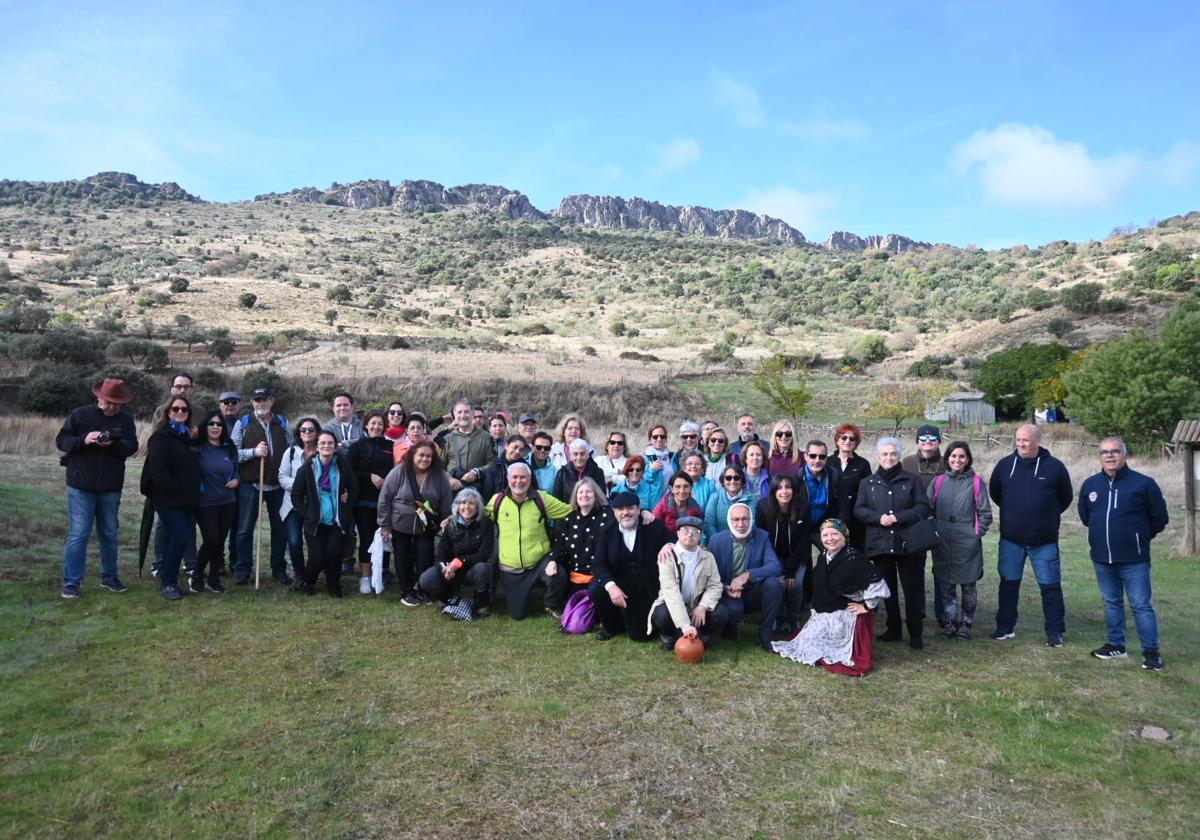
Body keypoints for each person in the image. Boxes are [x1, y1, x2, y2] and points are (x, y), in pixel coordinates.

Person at [1078, 437, 1168, 670]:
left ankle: (1151, 652)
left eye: (1114, 451)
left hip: (1133, 559)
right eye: (1104, 452)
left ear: (1124, 454)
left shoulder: (1143, 484)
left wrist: (1139, 537)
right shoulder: (1090, 485)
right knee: (1111, 602)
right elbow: (1085, 516)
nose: (1109, 456)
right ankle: (1115, 645)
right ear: (1099, 456)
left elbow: (1159, 518)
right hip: (1102, 558)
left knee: (1141, 605)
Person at [989, 424, 1073, 646]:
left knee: (1050, 586)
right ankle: (1005, 627)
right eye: (1018, 440)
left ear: (1037, 441)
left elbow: (1065, 498)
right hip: (1011, 540)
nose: (1021, 444)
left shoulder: (1055, 468)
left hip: (1044, 542)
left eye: (1025, 440)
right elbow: (996, 493)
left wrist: (1043, 516)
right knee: (1008, 584)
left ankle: (1055, 632)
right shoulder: (1005, 466)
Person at [771, 519, 888, 677]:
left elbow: (878, 583)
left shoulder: (853, 558)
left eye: (835, 534)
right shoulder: (824, 556)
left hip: (846, 614)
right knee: (805, 643)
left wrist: (867, 607)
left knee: (817, 646)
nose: (830, 538)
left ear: (844, 536)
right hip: (827, 611)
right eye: (825, 535)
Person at [57, 377, 138, 599]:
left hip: (111, 486)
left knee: (110, 534)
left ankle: (109, 577)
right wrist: (85, 439)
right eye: (109, 402)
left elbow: (132, 447)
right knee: (79, 534)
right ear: (99, 397)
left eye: (117, 403)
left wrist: (114, 444)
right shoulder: (80, 415)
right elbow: (62, 440)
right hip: (81, 484)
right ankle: (71, 582)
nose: (113, 407)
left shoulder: (126, 420)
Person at [854, 437, 933, 650]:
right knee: (887, 589)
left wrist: (899, 517)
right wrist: (877, 518)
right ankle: (894, 628)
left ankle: (915, 633)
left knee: (912, 590)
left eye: (893, 454)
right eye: (884, 454)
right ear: (878, 457)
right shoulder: (867, 483)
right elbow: (859, 510)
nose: (889, 458)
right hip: (880, 544)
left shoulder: (912, 480)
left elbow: (923, 508)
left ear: (899, 456)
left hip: (908, 544)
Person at [486, 462, 572, 619]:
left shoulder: (541, 499)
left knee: (558, 574)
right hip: (511, 568)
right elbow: (479, 517)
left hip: (539, 562)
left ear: (530, 478)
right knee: (518, 615)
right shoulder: (497, 501)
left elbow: (569, 512)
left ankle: (551, 605)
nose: (519, 481)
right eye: (515, 477)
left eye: (523, 477)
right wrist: (452, 518)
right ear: (508, 478)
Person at [928, 442, 992, 640]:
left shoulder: (976, 482)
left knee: (968, 584)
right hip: (943, 541)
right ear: (947, 458)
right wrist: (934, 534)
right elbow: (927, 510)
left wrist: (975, 534)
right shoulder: (938, 482)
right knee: (946, 584)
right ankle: (949, 622)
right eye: (953, 456)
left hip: (967, 542)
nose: (957, 460)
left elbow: (985, 513)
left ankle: (966, 623)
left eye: (961, 456)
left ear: (968, 459)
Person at [378, 440, 453, 606]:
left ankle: (423, 589)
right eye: (421, 455)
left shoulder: (439, 475)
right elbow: (385, 499)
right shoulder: (399, 471)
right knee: (402, 557)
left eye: (428, 456)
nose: (425, 459)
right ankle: (406, 591)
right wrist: (384, 525)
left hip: (425, 525)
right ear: (413, 455)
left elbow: (446, 500)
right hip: (400, 523)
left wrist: (447, 517)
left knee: (424, 557)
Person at [141, 396, 200, 601]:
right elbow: (158, 472)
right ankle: (168, 582)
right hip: (168, 499)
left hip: (186, 499)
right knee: (180, 537)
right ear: (167, 413)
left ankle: (170, 577)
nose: (180, 412)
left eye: (184, 409)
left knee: (178, 538)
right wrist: (176, 491)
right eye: (175, 409)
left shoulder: (186, 437)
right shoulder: (161, 438)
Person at [590, 491, 670, 641]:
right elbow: (598, 564)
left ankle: (639, 621)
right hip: (620, 583)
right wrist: (611, 586)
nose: (625, 512)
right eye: (620, 509)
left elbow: (673, 540)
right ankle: (612, 626)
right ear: (614, 512)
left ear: (638, 509)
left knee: (641, 637)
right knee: (596, 589)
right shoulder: (606, 531)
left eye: (630, 508)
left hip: (645, 587)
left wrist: (668, 545)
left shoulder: (652, 526)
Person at [231, 387, 290, 586]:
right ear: (252, 402)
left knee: (280, 529)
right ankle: (243, 570)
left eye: (264, 400)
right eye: (257, 400)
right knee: (245, 529)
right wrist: (253, 452)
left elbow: (291, 451)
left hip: (277, 486)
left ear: (271, 401)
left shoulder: (281, 422)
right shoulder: (243, 423)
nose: (261, 403)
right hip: (252, 484)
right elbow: (232, 454)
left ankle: (278, 569)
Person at [708, 503, 784, 651]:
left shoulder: (762, 537)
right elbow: (709, 576)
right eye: (736, 519)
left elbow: (775, 566)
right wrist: (725, 587)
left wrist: (748, 574)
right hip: (728, 592)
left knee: (774, 584)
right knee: (735, 609)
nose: (741, 524)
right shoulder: (716, 540)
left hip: (752, 590)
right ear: (729, 520)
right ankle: (730, 628)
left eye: (745, 519)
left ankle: (765, 633)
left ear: (751, 520)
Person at [292, 430, 358, 596]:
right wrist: (307, 513)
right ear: (317, 446)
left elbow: (354, 488)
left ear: (335, 447)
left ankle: (334, 585)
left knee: (334, 553)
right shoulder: (307, 468)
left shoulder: (342, 465)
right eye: (323, 443)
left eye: (330, 443)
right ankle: (308, 582)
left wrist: (347, 507)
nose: (326, 446)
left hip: (336, 520)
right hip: (315, 522)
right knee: (317, 557)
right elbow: (296, 496)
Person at [648, 516, 729, 650]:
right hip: (671, 604)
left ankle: (703, 637)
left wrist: (703, 606)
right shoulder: (667, 556)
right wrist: (685, 624)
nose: (690, 534)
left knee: (720, 613)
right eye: (685, 530)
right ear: (678, 533)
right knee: (661, 614)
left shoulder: (708, 557)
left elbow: (715, 585)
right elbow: (671, 592)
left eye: (695, 532)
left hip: (695, 605)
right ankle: (669, 637)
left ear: (700, 536)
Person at [417, 487, 495, 615]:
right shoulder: (450, 524)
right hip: (451, 571)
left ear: (478, 507)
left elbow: (484, 555)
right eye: (463, 503)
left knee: (483, 568)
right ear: (457, 506)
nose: (466, 507)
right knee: (426, 579)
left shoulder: (485, 524)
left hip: (472, 570)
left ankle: (481, 604)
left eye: (471, 503)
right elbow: (441, 555)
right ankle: (448, 598)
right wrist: (445, 568)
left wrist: (459, 561)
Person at [903, 424, 948, 627]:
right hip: (916, 523)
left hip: (942, 521)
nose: (927, 442)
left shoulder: (948, 462)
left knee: (941, 569)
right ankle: (918, 609)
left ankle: (943, 612)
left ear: (939, 441)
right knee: (915, 568)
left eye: (932, 439)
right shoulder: (908, 462)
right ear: (917, 442)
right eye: (923, 439)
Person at [191, 408, 240, 594]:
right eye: (211, 423)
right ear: (205, 426)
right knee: (211, 540)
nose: (215, 427)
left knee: (219, 541)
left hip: (227, 501)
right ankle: (196, 575)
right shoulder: (197, 447)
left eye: (219, 424)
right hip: (205, 502)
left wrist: (237, 479)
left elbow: (235, 468)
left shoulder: (228, 446)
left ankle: (213, 578)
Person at [756, 474, 811, 634]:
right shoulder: (763, 507)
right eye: (779, 488)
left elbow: (804, 540)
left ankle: (793, 617)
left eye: (788, 487)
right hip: (772, 556)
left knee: (796, 584)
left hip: (796, 556)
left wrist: (791, 570)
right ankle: (778, 617)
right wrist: (778, 569)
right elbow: (762, 538)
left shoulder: (803, 507)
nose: (784, 491)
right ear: (773, 491)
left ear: (794, 490)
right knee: (777, 583)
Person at [347, 410, 394, 595]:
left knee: (384, 538)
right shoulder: (357, 447)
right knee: (367, 539)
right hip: (364, 501)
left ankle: (380, 575)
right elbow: (350, 471)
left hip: (386, 501)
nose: (376, 427)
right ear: (366, 425)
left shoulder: (391, 446)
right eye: (373, 423)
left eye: (380, 424)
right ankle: (365, 578)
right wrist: (370, 476)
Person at [551, 477, 611, 603]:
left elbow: (627, 513)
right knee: (576, 616)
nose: (584, 495)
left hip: (600, 577)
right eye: (580, 492)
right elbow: (559, 545)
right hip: (576, 578)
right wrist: (552, 560)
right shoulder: (568, 519)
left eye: (588, 492)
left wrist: (644, 512)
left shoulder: (608, 515)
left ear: (596, 494)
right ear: (575, 496)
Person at [278, 416, 321, 588]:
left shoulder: (323, 451)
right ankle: (299, 574)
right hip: (293, 505)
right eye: (303, 430)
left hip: (316, 506)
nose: (307, 433)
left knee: (315, 542)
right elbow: (282, 477)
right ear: (298, 433)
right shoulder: (291, 453)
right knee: (295, 541)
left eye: (311, 430)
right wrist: (300, 487)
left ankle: (313, 573)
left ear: (317, 432)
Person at [827, 422, 871, 552]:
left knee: (856, 552)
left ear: (856, 443)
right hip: (832, 514)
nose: (848, 441)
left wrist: (851, 497)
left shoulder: (863, 464)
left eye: (852, 439)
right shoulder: (828, 462)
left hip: (855, 517)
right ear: (837, 440)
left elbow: (866, 491)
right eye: (844, 437)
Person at [443, 398, 495, 492]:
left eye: (466, 412)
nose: (463, 415)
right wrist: (449, 479)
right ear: (454, 415)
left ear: (472, 414)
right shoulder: (446, 439)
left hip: (478, 490)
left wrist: (477, 473)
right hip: (451, 491)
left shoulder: (486, 437)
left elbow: (493, 463)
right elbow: (439, 466)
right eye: (459, 412)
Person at [703, 466, 754, 542]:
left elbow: (752, 523)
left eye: (736, 478)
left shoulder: (751, 499)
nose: (732, 481)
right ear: (723, 481)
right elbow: (709, 524)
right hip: (719, 543)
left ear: (742, 480)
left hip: (744, 543)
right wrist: (720, 542)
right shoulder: (715, 498)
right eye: (728, 478)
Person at [553, 438, 608, 503]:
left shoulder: (598, 472)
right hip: (568, 511)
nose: (579, 458)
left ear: (588, 455)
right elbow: (556, 500)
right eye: (575, 454)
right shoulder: (562, 473)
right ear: (570, 455)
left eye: (582, 454)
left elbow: (601, 498)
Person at [481, 434, 532, 500]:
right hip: (500, 506)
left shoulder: (526, 468)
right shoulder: (495, 467)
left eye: (521, 450)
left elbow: (533, 489)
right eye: (515, 447)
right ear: (506, 445)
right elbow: (487, 493)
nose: (517, 451)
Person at [652, 471, 702, 538]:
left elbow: (697, 533)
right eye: (678, 487)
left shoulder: (696, 508)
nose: (682, 491)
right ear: (671, 489)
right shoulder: (661, 507)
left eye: (686, 486)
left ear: (691, 488)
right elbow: (654, 532)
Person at [800, 439, 836, 531]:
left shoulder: (834, 476)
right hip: (802, 527)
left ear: (826, 458)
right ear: (806, 456)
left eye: (822, 457)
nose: (817, 460)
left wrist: (837, 527)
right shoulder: (797, 479)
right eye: (813, 456)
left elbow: (843, 505)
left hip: (827, 526)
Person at [680, 452, 716, 517]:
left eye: (697, 464)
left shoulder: (709, 485)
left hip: (702, 525)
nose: (693, 466)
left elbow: (712, 514)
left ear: (702, 469)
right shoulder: (676, 484)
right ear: (684, 468)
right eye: (689, 464)